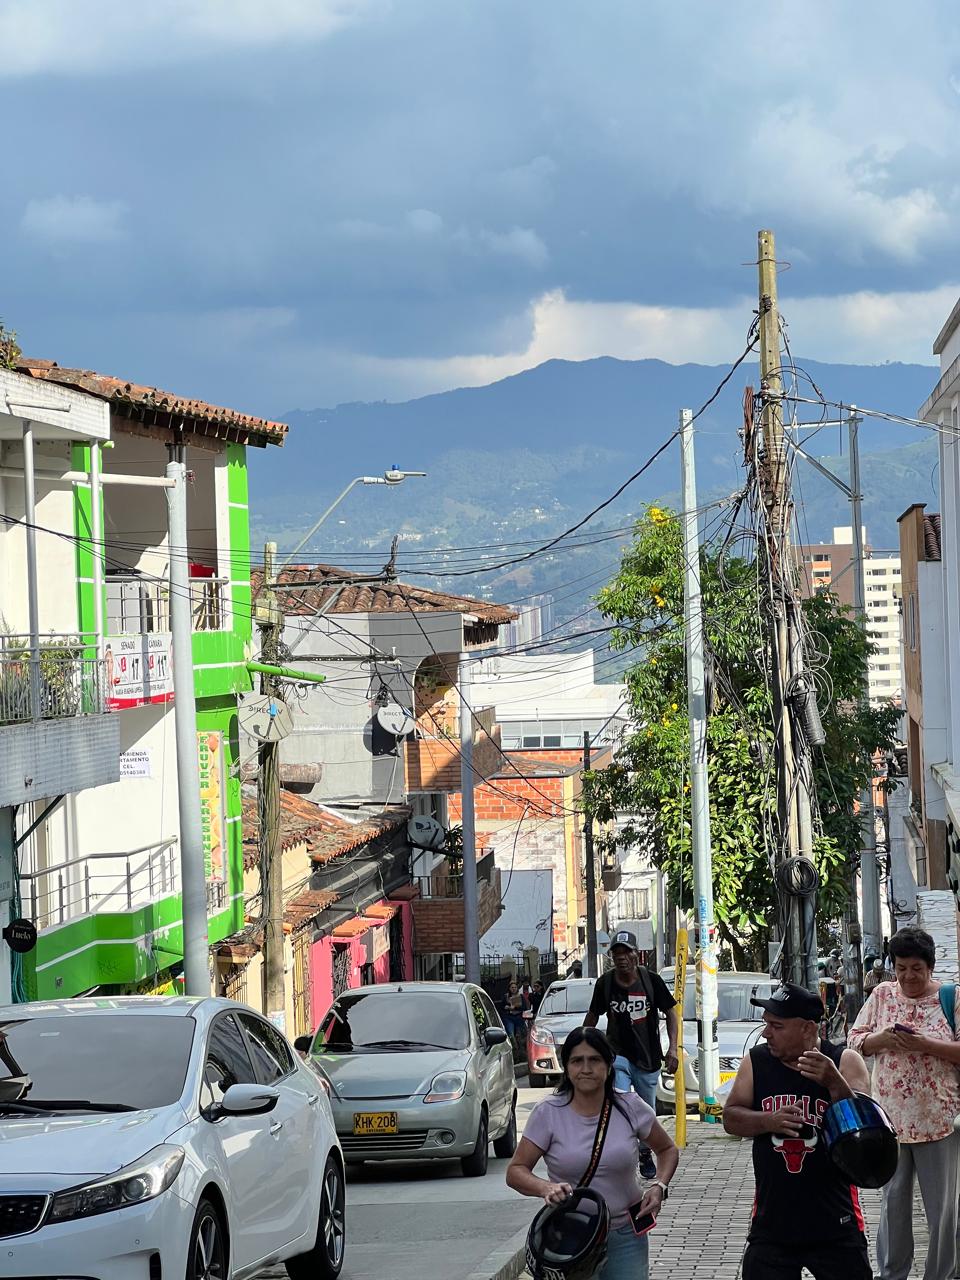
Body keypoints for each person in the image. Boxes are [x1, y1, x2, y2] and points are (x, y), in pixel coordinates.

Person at [723, 981, 873, 1280]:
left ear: (807, 1029)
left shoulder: (844, 1061)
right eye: (766, 1024)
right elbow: (730, 1117)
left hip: (835, 1221)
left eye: (776, 1026)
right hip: (772, 1223)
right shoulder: (757, 1061)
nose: (766, 1033)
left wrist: (835, 1083)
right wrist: (768, 1121)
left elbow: (868, 1135)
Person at [507, 1027, 679, 1280]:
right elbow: (515, 1171)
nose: (586, 1069)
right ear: (566, 1067)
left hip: (625, 1234)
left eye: (595, 1060)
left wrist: (659, 1186)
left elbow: (667, 1149)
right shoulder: (548, 1112)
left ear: (609, 1066)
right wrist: (545, 1188)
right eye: (577, 1061)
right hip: (571, 1239)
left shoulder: (630, 1106)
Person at [847, 926, 960, 1280]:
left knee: (941, 1211)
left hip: (939, 1120)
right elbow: (854, 1041)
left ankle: (940, 1275)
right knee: (892, 1204)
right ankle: (892, 1274)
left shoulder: (950, 997)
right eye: (901, 968)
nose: (908, 976)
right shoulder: (882, 995)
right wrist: (881, 1038)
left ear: (930, 967)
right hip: (889, 1122)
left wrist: (925, 1045)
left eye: (916, 968)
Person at [583, 928, 678, 1181]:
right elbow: (592, 1016)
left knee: (646, 1110)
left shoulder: (651, 981)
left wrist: (673, 1049)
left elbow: (671, 1013)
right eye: (617, 953)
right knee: (621, 1102)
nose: (622, 957)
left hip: (647, 1057)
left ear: (637, 955)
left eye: (627, 952)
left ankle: (646, 1151)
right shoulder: (605, 984)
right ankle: (626, 1153)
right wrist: (581, 1045)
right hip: (617, 1057)